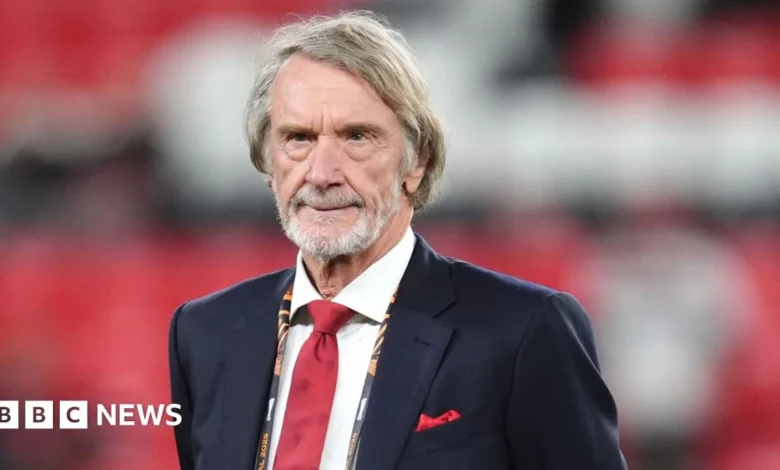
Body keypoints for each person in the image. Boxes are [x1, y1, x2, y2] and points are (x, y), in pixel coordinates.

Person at [168, 11, 627, 470]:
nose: (322, 174)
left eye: (356, 137)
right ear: (267, 160)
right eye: (298, 138)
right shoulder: (204, 332)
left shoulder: (524, 330)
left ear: (417, 161)